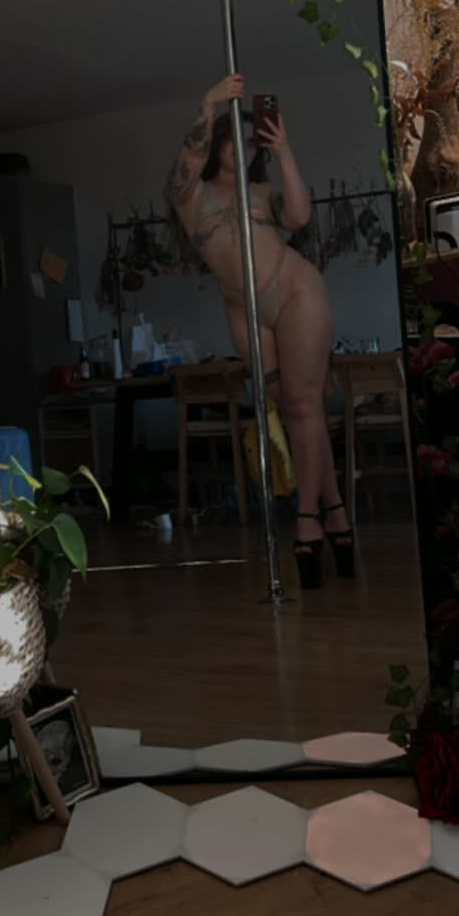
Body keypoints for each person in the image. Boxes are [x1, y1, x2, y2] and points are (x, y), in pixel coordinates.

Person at [166, 74, 354, 587]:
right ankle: (337, 514)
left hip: (295, 292)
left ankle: (308, 522)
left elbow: (299, 216)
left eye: (253, 139)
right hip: (243, 308)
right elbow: (181, 171)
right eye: (236, 137)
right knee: (290, 410)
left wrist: (284, 149)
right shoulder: (192, 197)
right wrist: (208, 104)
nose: (247, 144)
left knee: (302, 406)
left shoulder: (264, 193)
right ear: (217, 144)